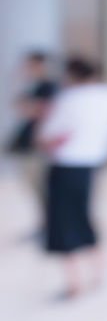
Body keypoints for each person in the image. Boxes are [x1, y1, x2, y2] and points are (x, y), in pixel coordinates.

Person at [37, 57, 107, 300]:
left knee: (63, 223)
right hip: (92, 163)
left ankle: (74, 283)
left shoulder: (69, 99)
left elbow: (48, 137)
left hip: (66, 165)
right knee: (84, 215)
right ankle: (100, 273)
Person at [6, 51, 58, 230]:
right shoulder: (36, 87)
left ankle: (49, 225)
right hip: (31, 144)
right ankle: (46, 224)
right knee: (34, 186)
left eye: (30, 66)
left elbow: (39, 111)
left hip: (39, 145)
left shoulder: (50, 86)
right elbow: (19, 106)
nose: (26, 70)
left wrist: (29, 107)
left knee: (41, 187)